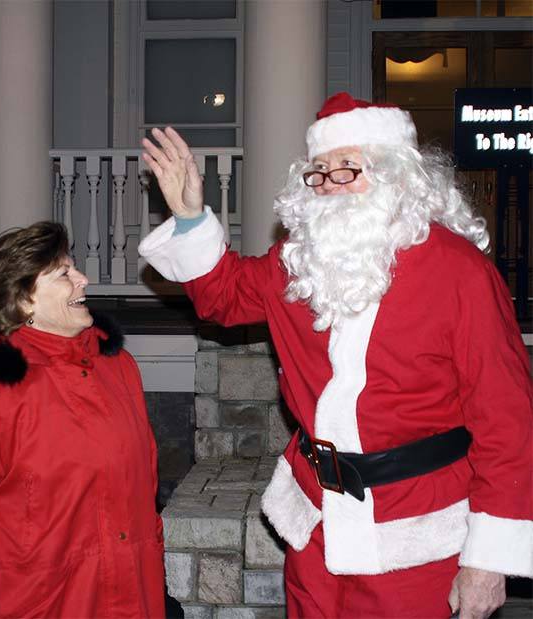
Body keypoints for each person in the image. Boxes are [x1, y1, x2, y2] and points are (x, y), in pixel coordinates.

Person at [138, 92, 532, 619]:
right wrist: (189, 216)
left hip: (418, 539)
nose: (329, 184)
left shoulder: (459, 273)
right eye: (319, 171)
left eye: (348, 168)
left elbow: (508, 423)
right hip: (316, 525)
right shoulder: (299, 262)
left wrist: (487, 560)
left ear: (396, 175)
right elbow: (223, 296)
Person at [0, 222, 166, 618]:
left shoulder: (119, 368)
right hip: (41, 606)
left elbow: (143, 495)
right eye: (64, 273)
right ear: (22, 300)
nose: (83, 279)